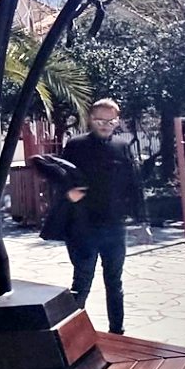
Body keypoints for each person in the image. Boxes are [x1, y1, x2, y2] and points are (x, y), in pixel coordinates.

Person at [60, 98, 139, 335]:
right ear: (90, 120)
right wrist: (67, 192)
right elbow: (60, 176)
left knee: (114, 282)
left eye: (110, 121)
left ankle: (118, 332)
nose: (105, 125)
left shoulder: (122, 146)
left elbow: (133, 185)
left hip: (114, 226)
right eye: (100, 120)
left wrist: (142, 220)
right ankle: (71, 336)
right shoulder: (75, 146)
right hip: (82, 226)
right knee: (81, 282)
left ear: (117, 121)